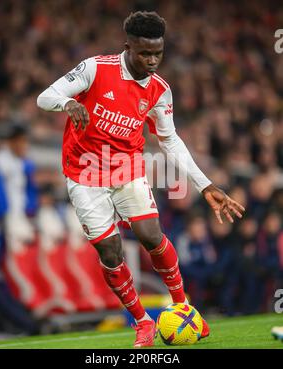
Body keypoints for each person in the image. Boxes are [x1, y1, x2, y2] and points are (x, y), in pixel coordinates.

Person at [37, 11, 245, 347]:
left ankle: (184, 307)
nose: (152, 60)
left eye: (157, 53)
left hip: (126, 167)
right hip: (84, 172)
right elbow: (44, 96)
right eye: (144, 53)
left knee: (151, 235)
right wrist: (66, 104)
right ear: (128, 47)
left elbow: (170, 140)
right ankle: (142, 322)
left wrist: (204, 184)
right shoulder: (95, 68)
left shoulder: (160, 91)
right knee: (110, 251)